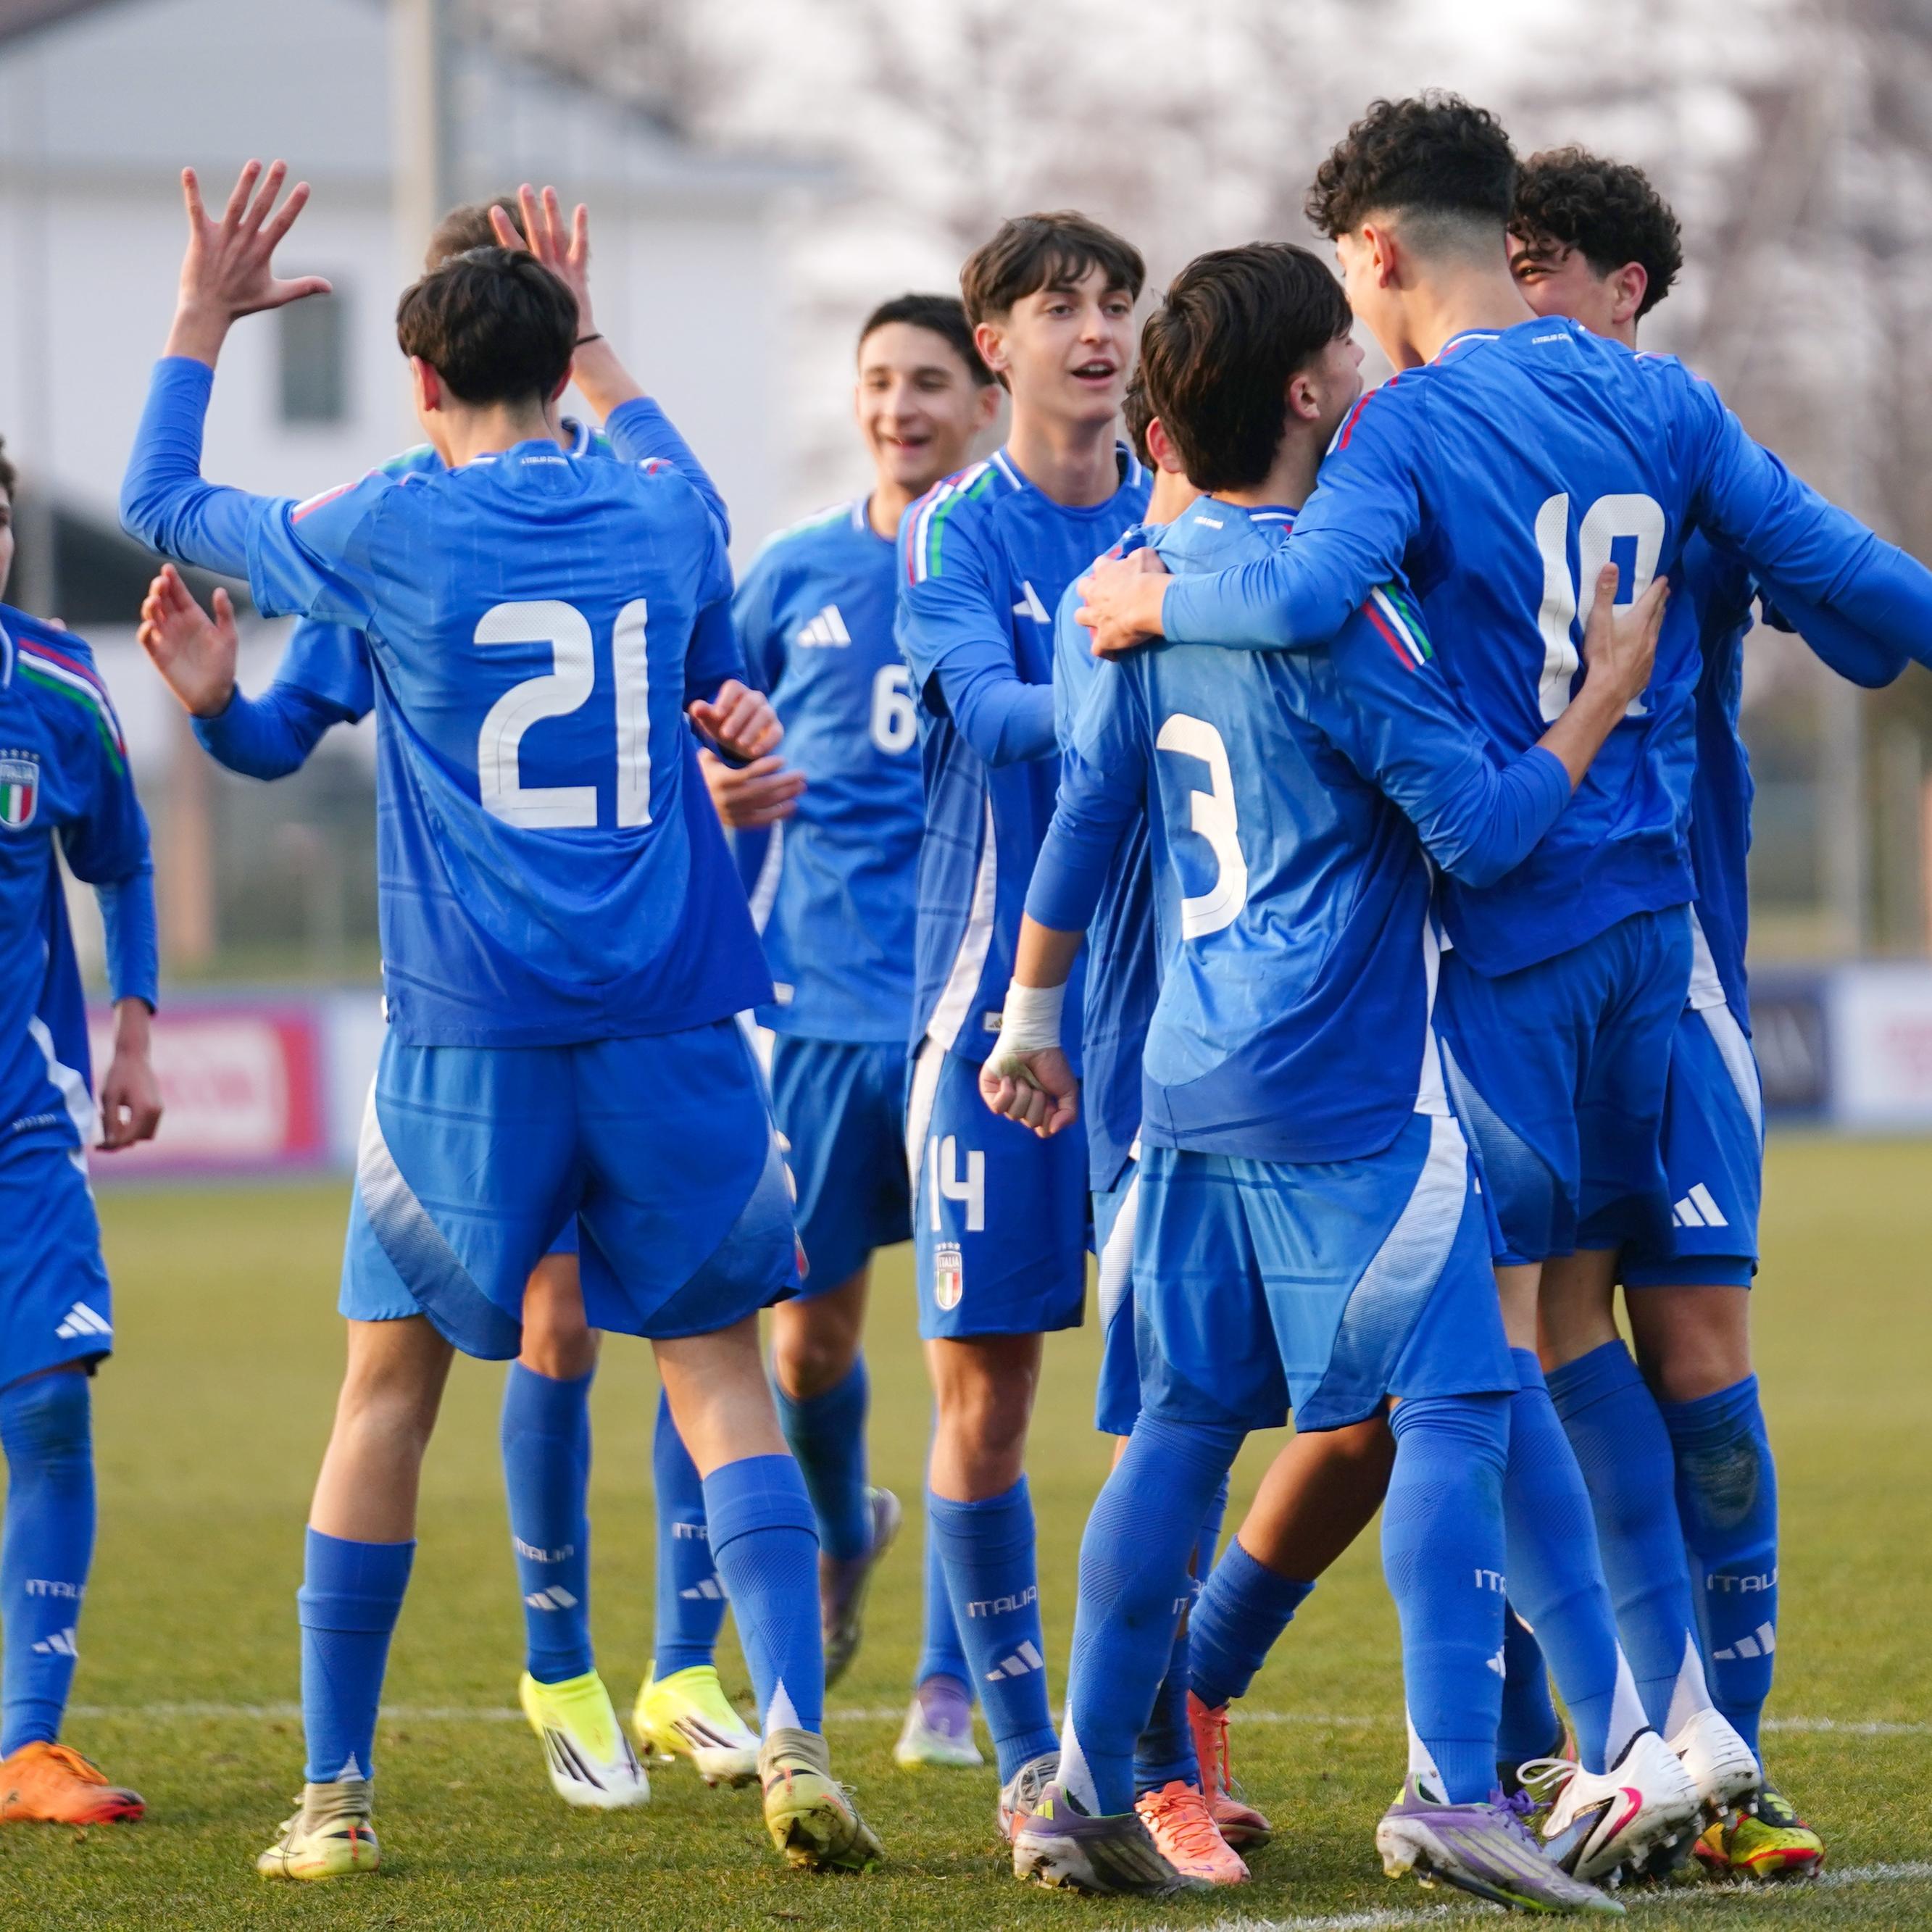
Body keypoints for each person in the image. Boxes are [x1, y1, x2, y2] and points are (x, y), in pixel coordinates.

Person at [1075, 91, 1932, 1838]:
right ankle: (1664, 1739)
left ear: (1374, 258)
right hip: (1668, 961)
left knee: (1474, 1368)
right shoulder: (1669, 403)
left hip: (1480, 957)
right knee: (1611, 1359)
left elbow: (1305, 600)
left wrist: (1160, 599)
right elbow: (1888, 608)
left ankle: (1515, 1754)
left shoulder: (1391, 428)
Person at [121, 159, 880, 1879]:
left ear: (418, 379)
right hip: (674, 1018)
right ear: (566, 350)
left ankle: (334, 1796)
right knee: (723, 1384)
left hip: (470, 1035)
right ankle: (793, 1741)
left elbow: (161, 493)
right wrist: (230, 706)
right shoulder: (669, 505)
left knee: (383, 1394)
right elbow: (700, 625)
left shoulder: (383, 525)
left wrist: (199, 313)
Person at [984, 239, 1662, 1908]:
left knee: (1177, 1435)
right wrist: (1596, 706)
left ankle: (1082, 1784)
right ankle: (1450, 1786)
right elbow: (1491, 836)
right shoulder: (1345, 608)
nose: (1372, 370)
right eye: (1347, 356)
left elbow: (1085, 816)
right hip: (1347, 1094)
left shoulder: (1134, 580)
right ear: (1303, 393)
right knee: (1452, 1408)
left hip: (1183, 1087)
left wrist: (1031, 1013)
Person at [1505, 144, 1907, 1880]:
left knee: (1695, 1365)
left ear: (1624, 289)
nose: (1517, 293)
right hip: (1495, 981)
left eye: (1549, 264)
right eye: (1497, 259)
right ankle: (1557, 1751)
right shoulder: (1436, 433)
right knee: (1518, 1351)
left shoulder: (1679, 434)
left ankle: (1726, 1761)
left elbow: (1875, 614)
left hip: (1676, 977)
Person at [661, 296, 1002, 1762]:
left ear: (983, 402)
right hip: (809, 1019)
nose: (901, 405)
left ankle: (944, 1673)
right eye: (878, 381)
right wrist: (712, 790)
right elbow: (694, 743)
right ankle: (845, 1521)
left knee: (966, 1353)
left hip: (968, 1021)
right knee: (804, 1347)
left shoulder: (999, 563)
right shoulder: (792, 571)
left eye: (929, 382)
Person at [894, 212, 1151, 1830]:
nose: (1098, 329)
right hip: (994, 1018)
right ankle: (1019, 1752)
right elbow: (981, 709)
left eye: (1119, 302)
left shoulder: (1178, 512)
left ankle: (1161, 1748)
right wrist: (1119, 656)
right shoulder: (955, 537)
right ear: (998, 343)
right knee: (984, 1396)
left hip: (1173, 1033)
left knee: (1175, 1400)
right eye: (1061, 305)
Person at [0, 438, 163, 1826]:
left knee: (48, 1406)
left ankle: (27, 1746)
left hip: (21, 1123)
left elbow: (121, 855)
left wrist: (138, 1022)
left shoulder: (53, 681)